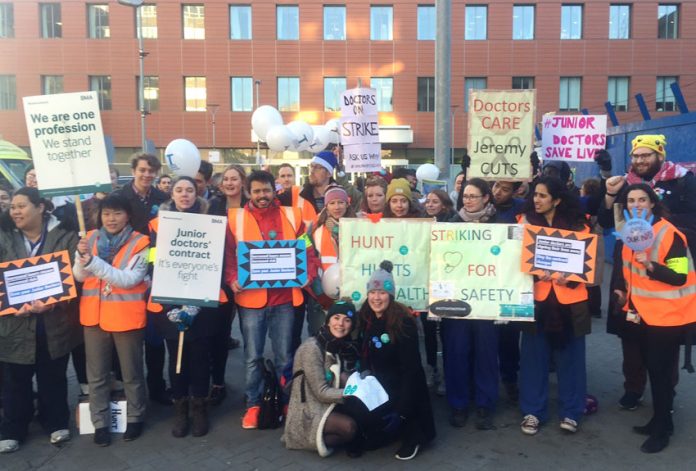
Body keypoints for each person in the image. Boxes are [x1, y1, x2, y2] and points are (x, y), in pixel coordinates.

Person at [599, 135, 696, 411]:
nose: (640, 160)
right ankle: (634, 388)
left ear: (660, 156)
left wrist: (652, 226)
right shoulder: (625, 185)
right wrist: (608, 192)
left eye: (646, 155)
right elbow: (606, 221)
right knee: (630, 334)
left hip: (665, 272)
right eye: (636, 156)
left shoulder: (682, 181)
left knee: (666, 341)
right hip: (627, 270)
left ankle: (667, 393)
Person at [224, 170, 319, 430]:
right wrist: (232, 278)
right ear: (248, 192)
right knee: (252, 357)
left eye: (266, 190)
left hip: (285, 299)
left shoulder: (292, 216)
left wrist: (308, 274)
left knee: (284, 356)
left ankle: (286, 401)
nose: (262, 196)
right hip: (251, 301)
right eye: (256, 191)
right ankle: (253, 404)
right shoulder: (236, 219)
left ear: (273, 189)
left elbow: (308, 250)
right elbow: (231, 258)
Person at [613, 183, 696, 453]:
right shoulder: (631, 233)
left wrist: (650, 264)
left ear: (652, 203)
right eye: (630, 200)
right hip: (642, 313)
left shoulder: (671, 234)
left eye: (642, 199)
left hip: (668, 317)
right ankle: (660, 421)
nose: (636, 204)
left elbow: (679, 276)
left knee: (660, 376)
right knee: (652, 370)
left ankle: (662, 430)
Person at [0, 188, 80, 453]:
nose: (15, 212)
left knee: (53, 376)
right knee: (15, 379)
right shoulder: (4, 236)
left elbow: (73, 278)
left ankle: (55, 421)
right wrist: (8, 304)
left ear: (40, 208)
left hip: (54, 321)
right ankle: (13, 428)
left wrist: (53, 301)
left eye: (21, 206)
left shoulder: (64, 236)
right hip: (14, 323)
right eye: (12, 207)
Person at [72, 194, 149, 446]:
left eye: (117, 213)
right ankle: (100, 423)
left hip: (126, 316)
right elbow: (80, 276)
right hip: (93, 316)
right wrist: (80, 257)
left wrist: (93, 262)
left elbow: (129, 279)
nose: (111, 219)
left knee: (132, 373)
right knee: (97, 375)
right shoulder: (89, 238)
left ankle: (136, 417)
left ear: (127, 215)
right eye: (106, 214)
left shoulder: (141, 243)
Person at [518, 176, 591, 436]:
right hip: (535, 300)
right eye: (534, 194)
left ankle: (572, 411)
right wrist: (538, 273)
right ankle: (532, 412)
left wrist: (566, 276)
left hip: (571, 304)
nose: (536, 199)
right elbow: (514, 260)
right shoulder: (523, 223)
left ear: (557, 200)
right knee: (533, 359)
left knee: (571, 360)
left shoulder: (580, 226)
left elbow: (587, 265)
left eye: (542, 195)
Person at [149, 177, 220, 438]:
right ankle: (180, 409)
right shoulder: (158, 225)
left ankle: (200, 408)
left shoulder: (210, 223)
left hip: (201, 304)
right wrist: (170, 305)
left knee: (200, 359)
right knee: (177, 361)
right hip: (171, 302)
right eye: (179, 190)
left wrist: (196, 304)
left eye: (189, 190)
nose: (185, 194)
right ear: (172, 193)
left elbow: (216, 261)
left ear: (196, 193)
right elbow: (153, 262)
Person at [355, 261, 436, 460]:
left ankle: (414, 434)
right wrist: (365, 372)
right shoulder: (366, 316)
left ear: (390, 295)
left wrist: (401, 411)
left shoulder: (403, 322)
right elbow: (363, 350)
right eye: (373, 292)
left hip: (404, 384)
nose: (376, 297)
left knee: (404, 415)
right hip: (379, 382)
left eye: (382, 292)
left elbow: (412, 370)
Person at [443, 178, 500, 429]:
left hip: (487, 303)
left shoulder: (500, 225)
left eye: (473, 196)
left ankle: (485, 404)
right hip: (457, 301)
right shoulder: (451, 224)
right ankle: (459, 404)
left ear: (486, 198)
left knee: (486, 354)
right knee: (457, 352)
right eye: (465, 196)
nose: (467, 200)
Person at [115, 153, 171, 406]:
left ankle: (157, 386)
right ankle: (127, 388)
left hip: (156, 273)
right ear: (134, 170)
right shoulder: (119, 198)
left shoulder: (163, 199)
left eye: (152, 171)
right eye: (143, 170)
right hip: (126, 271)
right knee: (127, 337)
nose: (147, 175)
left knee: (154, 336)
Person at [283, 300, 360, 457]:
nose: (341, 324)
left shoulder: (339, 345)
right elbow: (321, 392)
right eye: (336, 317)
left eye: (347, 320)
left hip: (327, 403)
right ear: (328, 320)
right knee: (350, 428)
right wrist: (351, 393)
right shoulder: (312, 348)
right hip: (308, 410)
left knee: (348, 379)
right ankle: (303, 437)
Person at [206, 165, 248, 405]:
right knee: (220, 334)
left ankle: (253, 385)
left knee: (250, 332)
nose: (230, 183)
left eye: (235, 178)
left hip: (250, 280)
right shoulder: (213, 206)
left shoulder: (251, 207)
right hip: (219, 278)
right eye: (226, 180)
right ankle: (218, 382)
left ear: (242, 181)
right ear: (221, 185)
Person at [305, 186, 356, 338]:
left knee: (349, 334)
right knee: (320, 335)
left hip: (351, 293)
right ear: (326, 206)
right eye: (332, 203)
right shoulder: (314, 230)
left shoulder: (358, 227)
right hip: (322, 295)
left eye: (341, 202)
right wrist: (320, 293)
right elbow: (307, 258)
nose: (337, 207)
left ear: (347, 204)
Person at [491, 180, 526, 402]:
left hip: (512, 282)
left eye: (504, 189)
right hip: (484, 280)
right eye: (495, 187)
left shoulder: (522, 209)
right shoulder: (483, 208)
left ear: (516, 191)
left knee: (510, 335)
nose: (498, 192)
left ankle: (510, 378)